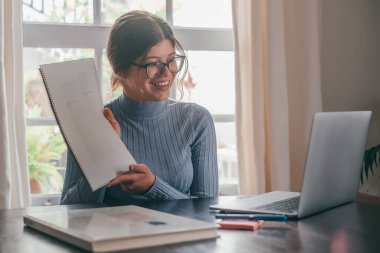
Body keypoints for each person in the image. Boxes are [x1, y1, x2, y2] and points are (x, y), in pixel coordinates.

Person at [61, 10, 219, 205]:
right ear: (120, 70)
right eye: (153, 65)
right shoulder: (96, 123)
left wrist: (153, 187)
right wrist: (104, 153)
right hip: (115, 235)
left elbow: (208, 210)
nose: (167, 73)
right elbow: (69, 211)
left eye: (171, 60)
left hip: (182, 236)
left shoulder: (196, 120)